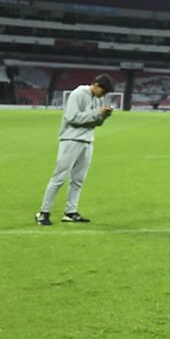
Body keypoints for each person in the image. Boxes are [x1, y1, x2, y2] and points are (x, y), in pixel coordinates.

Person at [35, 74, 115, 226]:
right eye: (103, 91)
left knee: (78, 180)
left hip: (88, 140)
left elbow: (96, 123)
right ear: (95, 84)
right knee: (59, 178)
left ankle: (70, 212)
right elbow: (72, 118)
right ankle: (43, 212)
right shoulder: (78, 94)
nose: (103, 95)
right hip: (71, 140)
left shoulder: (97, 98)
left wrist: (104, 116)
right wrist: (97, 113)